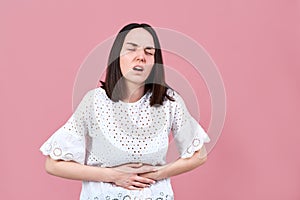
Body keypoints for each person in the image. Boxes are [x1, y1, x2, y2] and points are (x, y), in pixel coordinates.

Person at [40, 23, 210, 200]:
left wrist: (157, 173)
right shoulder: (94, 102)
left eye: (149, 52)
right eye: (131, 49)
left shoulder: (169, 102)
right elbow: (53, 164)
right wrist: (115, 176)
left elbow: (199, 156)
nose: (141, 57)